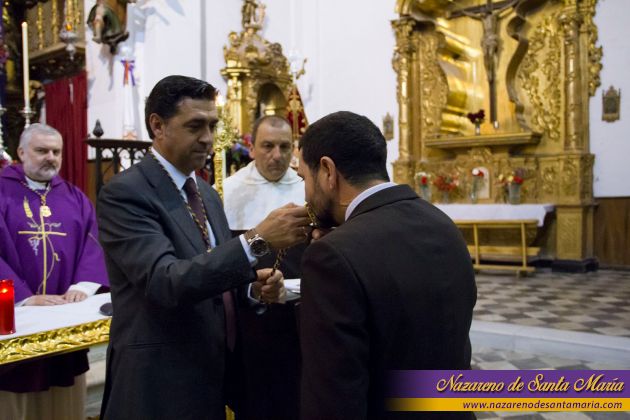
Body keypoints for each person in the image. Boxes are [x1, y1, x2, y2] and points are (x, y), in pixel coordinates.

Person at [96, 75, 311, 419]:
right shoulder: (127, 193)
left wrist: (252, 290)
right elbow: (165, 282)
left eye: (212, 125)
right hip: (159, 379)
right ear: (158, 125)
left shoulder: (207, 194)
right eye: (195, 126)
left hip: (211, 372)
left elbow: (215, 277)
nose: (208, 138)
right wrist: (257, 240)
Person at [297, 111, 477, 419]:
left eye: (304, 178)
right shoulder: (440, 222)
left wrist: (340, 246)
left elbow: (334, 395)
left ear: (327, 171)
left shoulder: (331, 256)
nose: (306, 193)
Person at [0, 123, 109, 419]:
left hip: (64, 316)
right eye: (41, 150)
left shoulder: (75, 197)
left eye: (56, 152)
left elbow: (93, 243)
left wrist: (84, 286)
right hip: (17, 319)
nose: (50, 157)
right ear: (21, 152)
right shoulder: (1, 192)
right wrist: (23, 296)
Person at [223, 115, 304, 420]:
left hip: (298, 318)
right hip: (249, 320)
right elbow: (224, 258)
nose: (277, 155)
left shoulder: (308, 190)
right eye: (267, 146)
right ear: (252, 149)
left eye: (285, 146)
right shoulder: (228, 191)